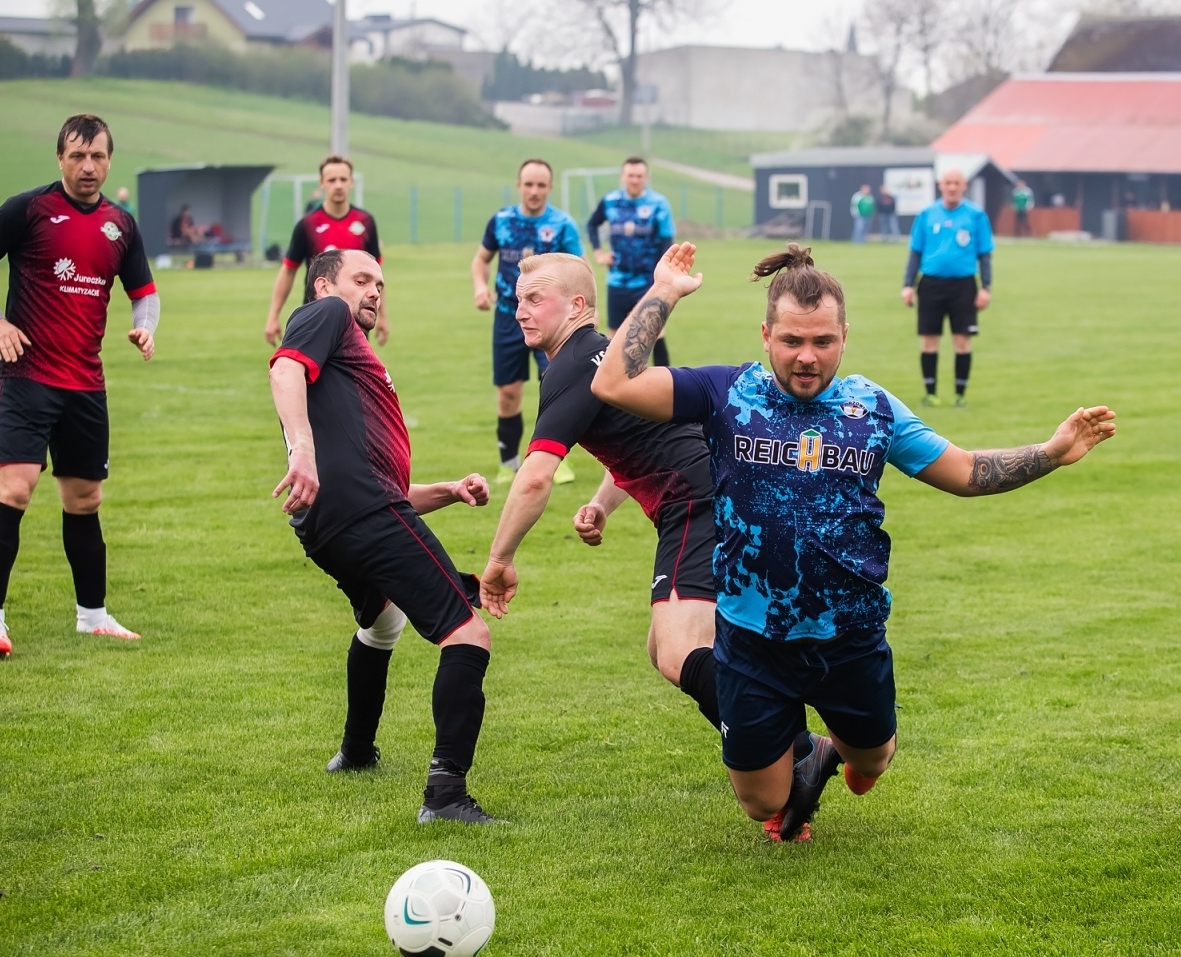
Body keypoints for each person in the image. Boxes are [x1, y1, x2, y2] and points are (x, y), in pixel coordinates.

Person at [591, 241, 1116, 842]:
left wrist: (1051, 454)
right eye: (792, 341)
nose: (807, 357)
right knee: (764, 804)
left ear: (845, 336)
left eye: (822, 342)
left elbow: (967, 472)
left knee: (872, 762)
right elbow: (613, 382)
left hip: (851, 637)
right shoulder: (725, 394)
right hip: (752, 640)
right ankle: (803, 753)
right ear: (766, 336)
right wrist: (663, 292)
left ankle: (835, 752)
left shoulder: (873, 408)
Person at [269, 249, 500, 824]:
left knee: (382, 623)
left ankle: (355, 751)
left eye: (379, 283)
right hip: (359, 510)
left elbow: (379, 480)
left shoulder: (347, 352)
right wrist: (302, 451)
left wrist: (447, 489)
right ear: (326, 285)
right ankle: (446, 796)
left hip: (330, 520)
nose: (374, 291)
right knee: (467, 632)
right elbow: (284, 368)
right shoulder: (327, 315)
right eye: (361, 280)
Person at [476, 253, 721, 733]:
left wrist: (499, 559)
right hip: (708, 496)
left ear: (576, 306)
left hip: (696, 503)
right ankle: (788, 747)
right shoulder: (603, 353)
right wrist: (602, 503)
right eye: (517, 300)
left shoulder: (570, 367)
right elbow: (643, 436)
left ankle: (792, 750)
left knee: (678, 654)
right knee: (665, 650)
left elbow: (534, 477)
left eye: (534, 300)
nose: (520, 311)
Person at [0, 113, 158, 658]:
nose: (88, 166)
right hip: (27, 377)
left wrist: (146, 325)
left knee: (85, 500)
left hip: (86, 385)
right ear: (60, 158)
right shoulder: (28, 209)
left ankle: (92, 617)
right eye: (77, 156)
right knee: (15, 489)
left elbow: (144, 291)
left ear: (109, 159)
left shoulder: (122, 224)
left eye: (97, 156)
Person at [471, 158, 584, 485]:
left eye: (541, 185)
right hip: (508, 316)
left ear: (549, 188)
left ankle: (555, 461)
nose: (534, 191)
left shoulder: (562, 224)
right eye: (529, 184)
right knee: (508, 393)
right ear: (519, 185)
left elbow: (581, 268)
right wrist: (480, 286)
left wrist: (581, 311)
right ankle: (508, 463)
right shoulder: (502, 221)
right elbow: (481, 260)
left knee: (555, 388)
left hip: (551, 320)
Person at [264, 155, 386, 348]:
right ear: (322, 183)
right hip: (316, 319)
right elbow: (288, 270)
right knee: (313, 375)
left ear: (351, 182)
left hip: (356, 319)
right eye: (332, 180)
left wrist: (382, 316)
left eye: (343, 179)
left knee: (354, 377)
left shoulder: (366, 222)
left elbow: (377, 276)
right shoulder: (307, 225)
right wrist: (273, 317)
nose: (338, 185)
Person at [901, 169, 993, 408]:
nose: (952, 187)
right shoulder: (926, 214)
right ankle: (930, 393)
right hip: (930, 284)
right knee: (929, 341)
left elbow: (985, 255)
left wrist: (985, 288)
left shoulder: (976, 215)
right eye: (947, 183)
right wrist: (908, 285)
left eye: (956, 183)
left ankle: (960, 394)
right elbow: (915, 253)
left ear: (964, 186)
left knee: (962, 341)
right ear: (940, 185)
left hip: (963, 286)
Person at [585, 156, 676, 367]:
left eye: (639, 176)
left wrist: (663, 276)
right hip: (618, 281)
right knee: (616, 338)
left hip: (648, 281)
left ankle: (667, 388)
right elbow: (592, 224)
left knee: (655, 333)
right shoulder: (610, 201)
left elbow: (666, 243)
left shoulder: (658, 204)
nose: (635, 180)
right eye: (631, 175)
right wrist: (599, 252)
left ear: (646, 178)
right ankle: (615, 391)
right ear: (622, 177)